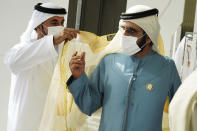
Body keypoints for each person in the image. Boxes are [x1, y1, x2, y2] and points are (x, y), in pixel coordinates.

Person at [67, 5, 181, 131]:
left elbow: (181, 111)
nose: (124, 35)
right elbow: (88, 105)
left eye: (131, 31)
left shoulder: (166, 67)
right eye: (123, 29)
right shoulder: (109, 63)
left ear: (148, 38)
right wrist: (78, 77)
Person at [4, 2, 79, 131]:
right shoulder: (22, 49)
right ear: (39, 26)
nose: (60, 27)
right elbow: (12, 62)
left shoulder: (63, 51)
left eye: (62, 23)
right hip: (27, 122)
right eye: (54, 22)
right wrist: (51, 41)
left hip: (53, 122)